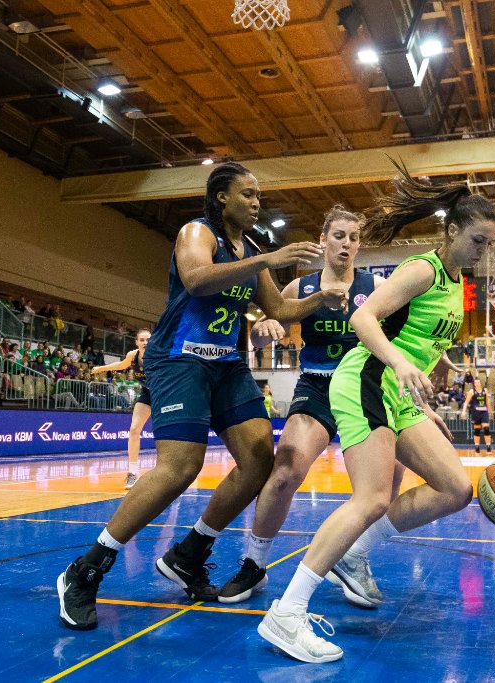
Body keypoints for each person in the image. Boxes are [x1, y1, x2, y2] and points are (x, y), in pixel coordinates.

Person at [55, 162, 346, 631]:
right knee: (181, 467)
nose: (256, 202)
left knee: (258, 463)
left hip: (226, 364)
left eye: (258, 195)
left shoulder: (249, 248)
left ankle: (190, 553)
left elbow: (278, 308)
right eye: (247, 194)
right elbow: (196, 279)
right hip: (178, 359)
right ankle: (85, 570)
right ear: (221, 198)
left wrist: (322, 299)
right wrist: (267, 260)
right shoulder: (197, 232)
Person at [257, 166, 495, 663]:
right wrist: (402, 362)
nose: (483, 250)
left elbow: (417, 332)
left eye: (489, 243)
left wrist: (437, 360)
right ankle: (287, 612)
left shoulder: (455, 283)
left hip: (398, 394)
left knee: (455, 488)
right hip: (365, 378)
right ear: (452, 231)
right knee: (370, 498)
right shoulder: (422, 269)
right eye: (478, 240)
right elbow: (362, 318)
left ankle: (355, 550)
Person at [218, 205, 395, 604]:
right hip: (317, 385)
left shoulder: (376, 286)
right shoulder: (300, 288)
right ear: (323, 240)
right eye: (339, 236)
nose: (346, 244)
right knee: (283, 473)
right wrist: (263, 332)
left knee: (388, 484)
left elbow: (394, 338)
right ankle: (253, 564)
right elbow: (265, 336)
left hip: (365, 387)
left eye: (353, 237)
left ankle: (353, 557)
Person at [90, 329, 152, 489]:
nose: (145, 343)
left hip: (165, 395)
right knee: (134, 430)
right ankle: (132, 473)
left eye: (148, 340)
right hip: (147, 394)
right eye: (142, 340)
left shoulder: (160, 354)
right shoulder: (133, 355)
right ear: (137, 342)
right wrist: (101, 369)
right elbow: (121, 365)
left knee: (167, 434)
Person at [461, 379, 493, 453]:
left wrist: (490, 411)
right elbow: (466, 403)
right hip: (475, 413)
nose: (477, 384)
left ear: (480, 383)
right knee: (477, 430)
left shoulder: (485, 390)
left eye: (478, 382)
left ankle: (488, 447)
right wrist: (463, 412)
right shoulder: (472, 391)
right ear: (474, 384)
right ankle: (477, 447)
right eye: (476, 383)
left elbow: (487, 402)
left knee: (486, 429)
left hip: (484, 412)